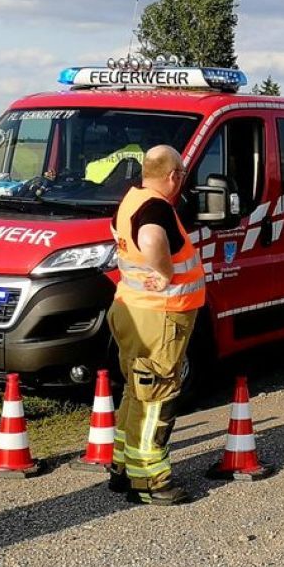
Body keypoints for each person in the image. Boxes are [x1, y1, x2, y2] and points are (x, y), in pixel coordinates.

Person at [107, 145, 204, 505]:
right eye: (181, 175)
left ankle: (123, 466)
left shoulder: (131, 198)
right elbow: (150, 238)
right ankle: (150, 481)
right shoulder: (156, 209)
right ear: (174, 176)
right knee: (157, 397)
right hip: (158, 317)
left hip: (130, 310)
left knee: (136, 391)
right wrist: (164, 273)